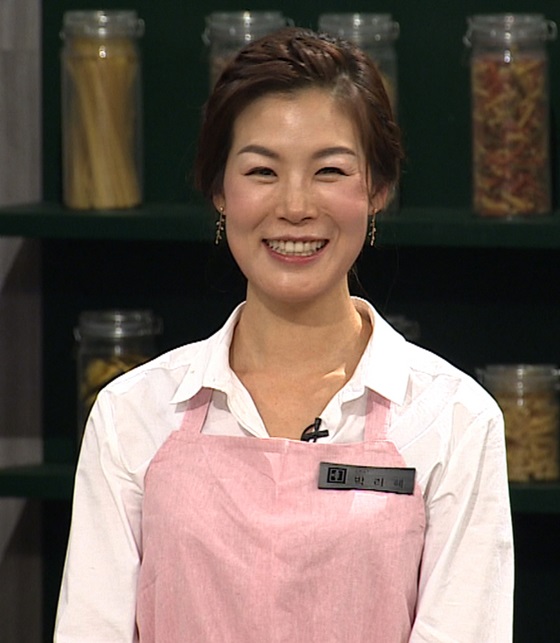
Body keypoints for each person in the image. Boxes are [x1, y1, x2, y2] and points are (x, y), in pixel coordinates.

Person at [55, 27, 514, 642]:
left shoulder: (454, 421)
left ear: (378, 190)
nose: (295, 206)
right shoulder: (130, 414)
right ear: (219, 190)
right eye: (262, 171)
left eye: (329, 170)